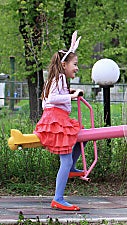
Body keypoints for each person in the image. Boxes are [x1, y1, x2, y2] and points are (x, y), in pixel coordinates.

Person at [34, 31, 85, 211]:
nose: (77, 68)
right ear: (64, 65)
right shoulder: (59, 77)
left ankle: (72, 167)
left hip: (58, 118)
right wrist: (71, 96)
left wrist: (71, 93)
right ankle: (58, 198)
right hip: (56, 120)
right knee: (65, 160)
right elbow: (53, 99)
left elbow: (54, 97)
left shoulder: (58, 78)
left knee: (82, 136)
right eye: (75, 64)